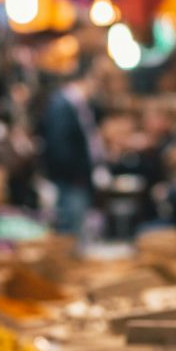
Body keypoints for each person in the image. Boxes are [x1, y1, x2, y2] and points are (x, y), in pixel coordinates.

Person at [40, 67, 103, 235]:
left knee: (77, 227)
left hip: (76, 179)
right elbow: (59, 146)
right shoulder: (62, 105)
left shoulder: (76, 105)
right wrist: (77, 174)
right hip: (71, 181)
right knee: (70, 233)